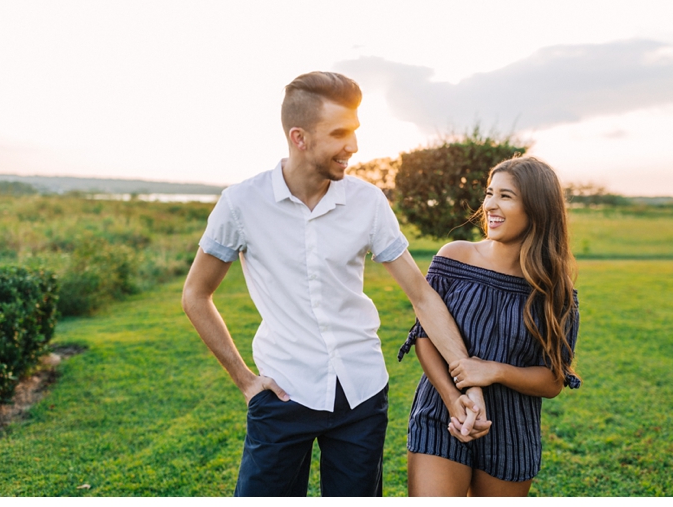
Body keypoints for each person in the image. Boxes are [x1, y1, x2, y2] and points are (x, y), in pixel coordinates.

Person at [181, 71, 488, 497]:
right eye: (340, 133)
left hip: (361, 392)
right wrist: (246, 381)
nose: (354, 147)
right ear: (299, 137)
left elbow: (421, 295)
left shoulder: (368, 202)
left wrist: (465, 379)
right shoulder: (240, 204)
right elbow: (196, 295)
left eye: (356, 131)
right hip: (282, 392)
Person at [397, 156, 581, 497]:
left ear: (537, 209)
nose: (490, 206)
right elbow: (424, 337)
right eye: (489, 193)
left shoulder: (556, 292)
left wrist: (493, 371)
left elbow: (553, 379)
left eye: (506, 196)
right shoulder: (454, 257)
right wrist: (454, 399)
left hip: (512, 431)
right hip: (442, 414)